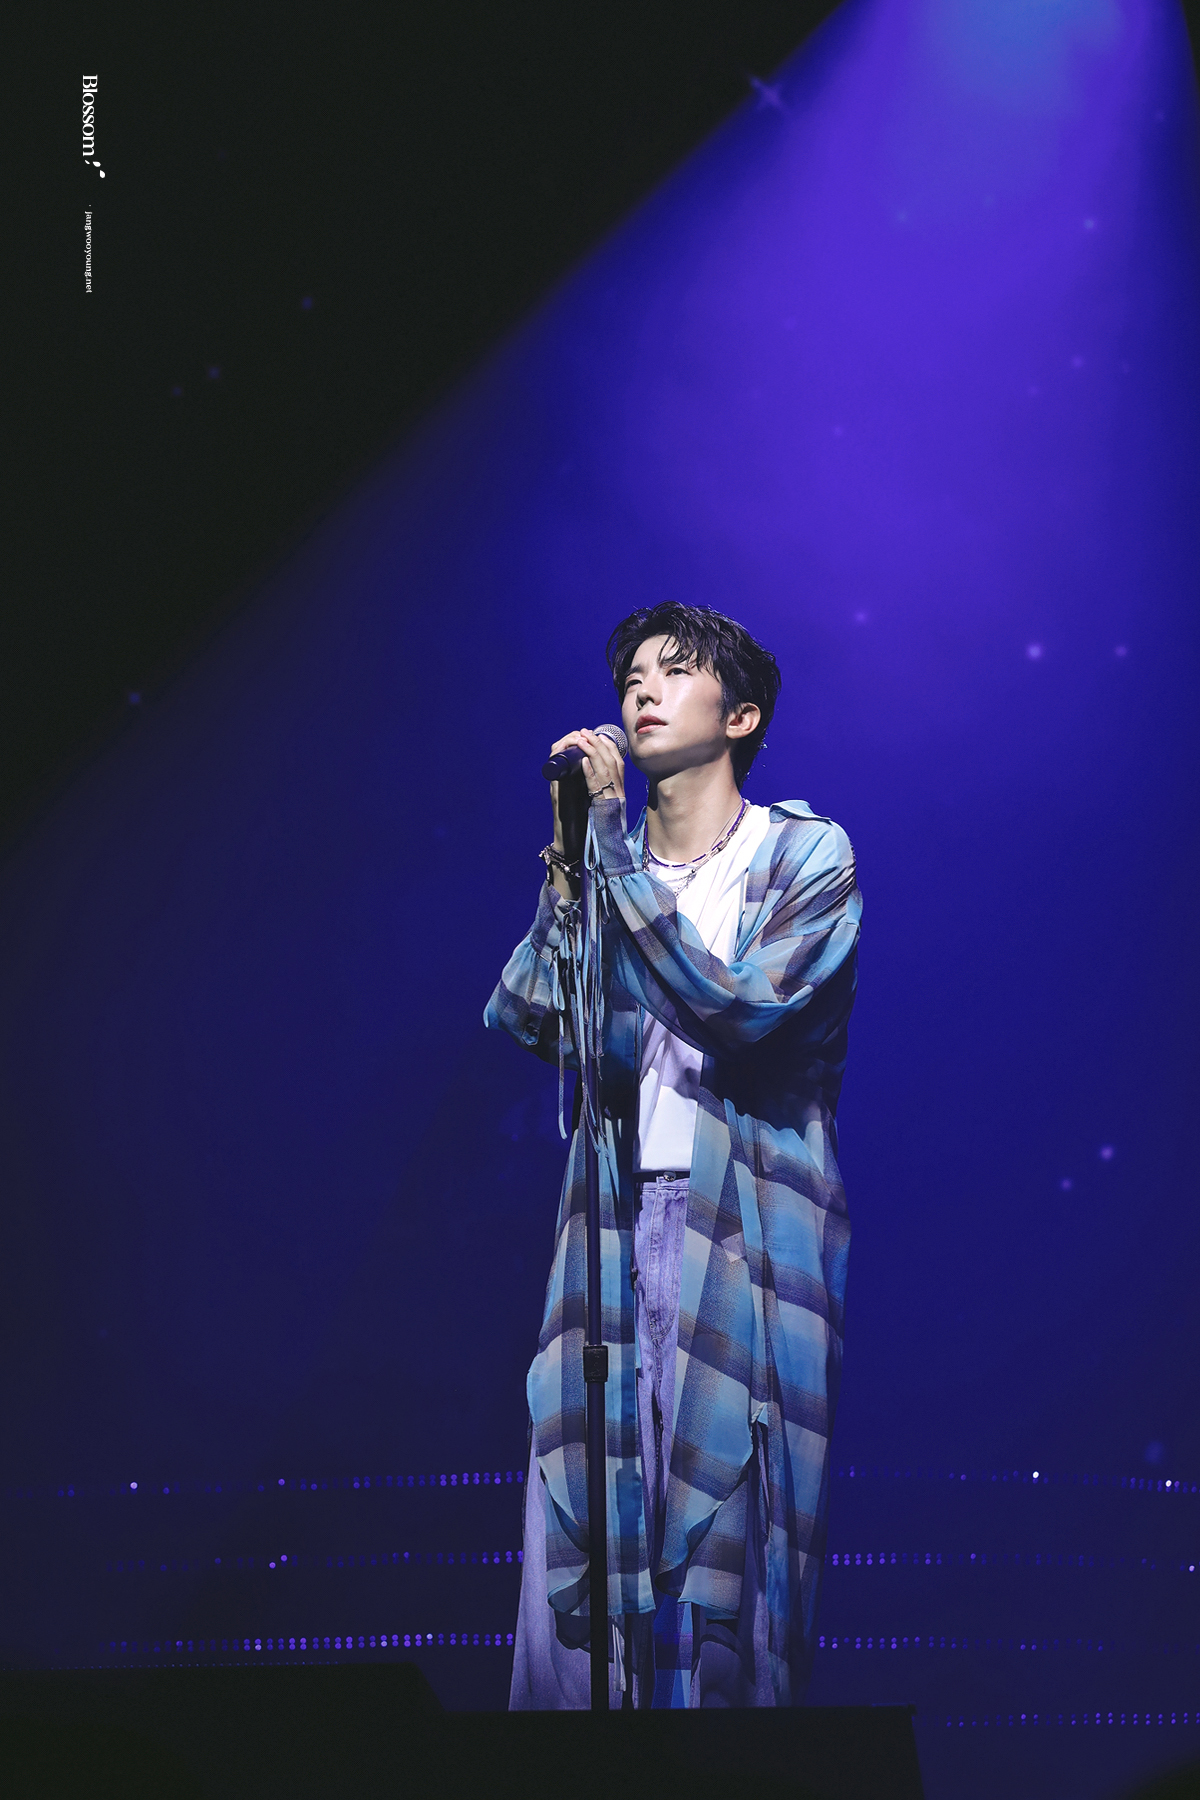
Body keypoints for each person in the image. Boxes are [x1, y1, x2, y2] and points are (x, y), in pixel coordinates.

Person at [485, 602, 861, 1708]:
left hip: (746, 1237)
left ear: (740, 716)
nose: (641, 693)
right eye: (631, 678)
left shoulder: (804, 854)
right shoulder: (606, 864)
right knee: (581, 1540)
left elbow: (737, 1010)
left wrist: (611, 854)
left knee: (726, 1572)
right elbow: (528, 1013)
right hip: (608, 1229)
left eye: (676, 672)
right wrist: (572, 866)